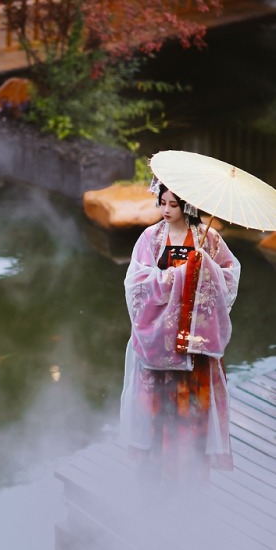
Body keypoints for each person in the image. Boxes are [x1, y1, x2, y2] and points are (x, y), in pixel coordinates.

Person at [119, 178, 241, 484]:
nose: (166, 210)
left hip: (194, 346)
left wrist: (205, 270)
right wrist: (175, 277)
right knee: (158, 409)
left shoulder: (208, 238)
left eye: (173, 204)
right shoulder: (151, 238)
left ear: (187, 206)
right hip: (160, 344)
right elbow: (135, 283)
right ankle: (154, 476)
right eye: (162, 203)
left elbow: (229, 277)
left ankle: (192, 477)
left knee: (193, 410)